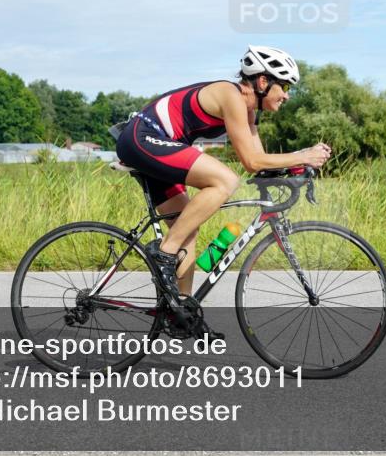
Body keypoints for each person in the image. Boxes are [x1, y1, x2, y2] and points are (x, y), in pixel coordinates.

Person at [115, 45, 331, 316]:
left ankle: (180, 311)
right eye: (284, 87)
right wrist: (303, 155)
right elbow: (251, 162)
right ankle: (164, 252)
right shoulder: (231, 96)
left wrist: (297, 166)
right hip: (142, 138)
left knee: (187, 229)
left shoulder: (249, 111)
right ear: (263, 82)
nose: (286, 96)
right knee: (225, 181)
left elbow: (260, 161)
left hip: (158, 144)